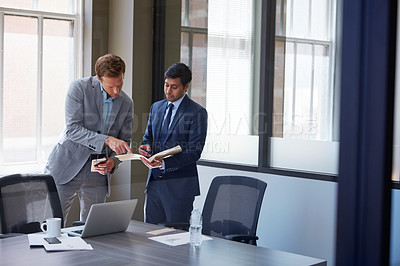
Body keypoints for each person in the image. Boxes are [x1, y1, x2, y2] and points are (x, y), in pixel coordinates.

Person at [44, 53, 133, 224]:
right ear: (99, 79)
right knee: (52, 224)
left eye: (119, 85)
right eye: (111, 87)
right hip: (67, 165)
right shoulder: (79, 88)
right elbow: (72, 129)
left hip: (98, 172)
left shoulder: (127, 103)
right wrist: (107, 140)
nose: (116, 92)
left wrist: (114, 161)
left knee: (94, 228)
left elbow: (125, 141)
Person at [139, 63, 208, 225]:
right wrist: (145, 146)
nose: (168, 91)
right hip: (154, 186)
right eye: (166, 85)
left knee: (177, 240)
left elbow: (194, 151)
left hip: (180, 189)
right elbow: (148, 137)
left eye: (174, 87)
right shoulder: (156, 107)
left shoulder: (197, 112)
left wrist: (165, 162)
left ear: (186, 87)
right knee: (150, 235)